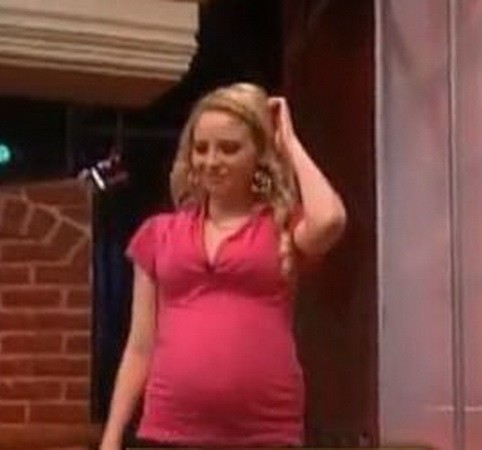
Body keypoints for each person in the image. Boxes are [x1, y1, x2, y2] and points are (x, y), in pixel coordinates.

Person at [98, 82, 347, 449]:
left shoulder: (280, 226)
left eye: (229, 148)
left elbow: (330, 220)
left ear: (258, 155)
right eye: (202, 148)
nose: (212, 161)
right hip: (171, 429)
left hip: (265, 432)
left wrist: (289, 143)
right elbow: (139, 346)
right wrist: (111, 437)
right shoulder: (160, 233)